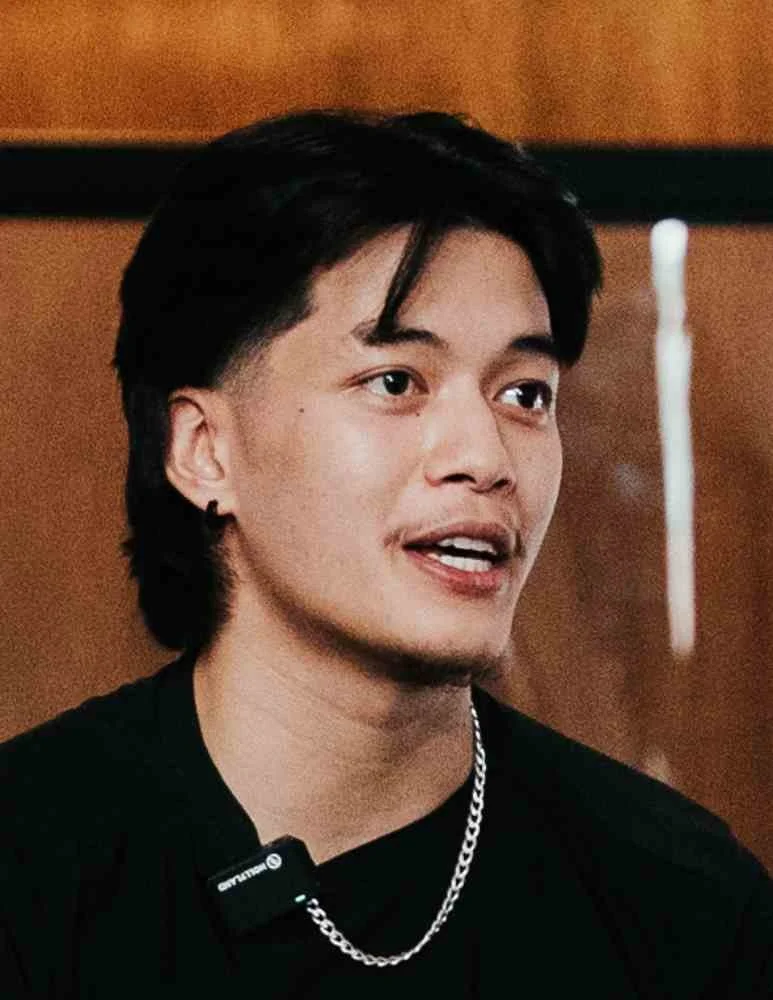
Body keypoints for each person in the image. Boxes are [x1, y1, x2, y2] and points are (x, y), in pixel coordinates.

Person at [1, 110, 771, 998]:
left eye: (524, 394)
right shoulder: (33, 870)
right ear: (205, 451)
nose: (485, 458)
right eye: (395, 382)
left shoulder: (685, 904)